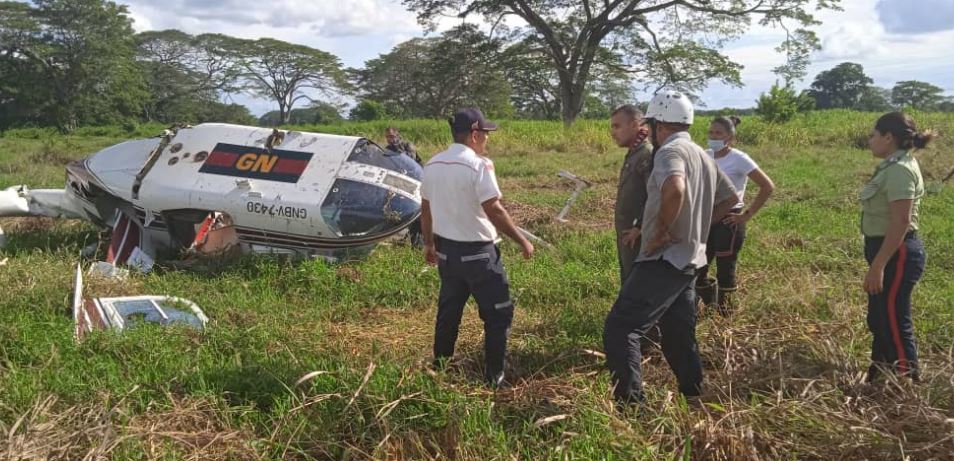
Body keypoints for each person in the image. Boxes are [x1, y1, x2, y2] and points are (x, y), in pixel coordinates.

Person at [603, 91, 739, 407]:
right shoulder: (702, 155)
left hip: (663, 258)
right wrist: (697, 227)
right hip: (690, 260)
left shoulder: (669, 152)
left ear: (657, 122)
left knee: (621, 329)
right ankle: (693, 396)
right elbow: (731, 200)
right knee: (679, 335)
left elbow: (675, 188)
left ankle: (632, 408)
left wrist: (663, 230)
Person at [420, 108, 534, 389]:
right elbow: (494, 209)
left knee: (448, 313)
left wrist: (429, 244)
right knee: (498, 315)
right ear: (473, 134)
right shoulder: (479, 166)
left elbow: (425, 209)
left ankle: (441, 369)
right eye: (485, 134)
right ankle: (495, 378)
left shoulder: (432, 164)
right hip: (480, 256)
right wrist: (521, 240)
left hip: (447, 254)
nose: (486, 140)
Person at [860, 111, 932, 383]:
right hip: (887, 250)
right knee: (879, 319)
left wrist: (878, 266)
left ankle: (908, 386)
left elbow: (901, 222)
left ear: (888, 137)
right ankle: (878, 377)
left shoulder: (900, 170)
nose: (870, 140)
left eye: (873, 135)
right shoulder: (893, 164)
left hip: (896, 253)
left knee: (893, 320)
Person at [696, 116, 775, 315]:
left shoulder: (739, 158)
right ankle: (710, 305)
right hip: (707, 218)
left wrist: (746, 215)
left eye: (718, 133)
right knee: (699, 268)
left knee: (725, 271)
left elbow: (767, 186)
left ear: (730, 137)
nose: (713, 137)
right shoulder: (705, 155)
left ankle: (726, 316)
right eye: (711, 133)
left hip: (729, 221)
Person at [610, 105, 653, 284]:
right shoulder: (635, 153)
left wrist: (640, 227)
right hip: (629, 233)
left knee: (638, 282)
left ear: (635, 124)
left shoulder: (646, 154)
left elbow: (655, 196)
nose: (612, 133)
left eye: (617, 126)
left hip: (638, 235)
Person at [384, 127, 424, 246]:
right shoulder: (387, 150)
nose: (389, 140)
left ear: (398, 136)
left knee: (416, 212)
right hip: (401, 182)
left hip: (416, 180)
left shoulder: (407, 145)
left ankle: (417, 243)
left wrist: (397, 150)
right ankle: (403, 237)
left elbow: (409, 161)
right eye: (387, 137)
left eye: (391, 136)